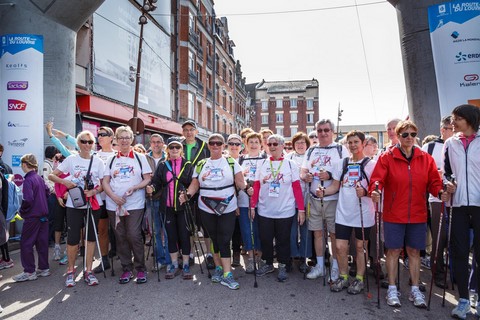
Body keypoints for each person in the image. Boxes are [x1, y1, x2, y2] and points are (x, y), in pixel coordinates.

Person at [369, 120, 445, 308]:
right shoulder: (387, 157)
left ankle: (414, 289)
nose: (409, 138)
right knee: (393, 251)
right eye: (405, 135)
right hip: (394, 213)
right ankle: (393, 289)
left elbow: (434, 182)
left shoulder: (425, 157)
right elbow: (377, 179)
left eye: (412, 134)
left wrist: (441, 192)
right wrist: (375, 190)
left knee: (413, 252)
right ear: (398, 136)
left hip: (418, 213)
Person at [180, 133, 245, 290]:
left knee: (224, 238)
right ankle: (219, 268)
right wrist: (187, 195)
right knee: (214, 238)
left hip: (227, 204)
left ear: (223, 146)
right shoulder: (202, 164)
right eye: (212, 143)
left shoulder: (231, 162)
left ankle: (228, 274)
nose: (215, 145)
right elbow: (195, 184)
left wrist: (248, 189)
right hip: (206, 205)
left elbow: (240, 181)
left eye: (219, 143)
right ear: (208, 145)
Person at [316, 131, 376, 294]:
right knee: (340, 247)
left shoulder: (371, 165)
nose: (353, 145)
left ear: (363, 144)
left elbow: (376, 190)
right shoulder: (342, 163)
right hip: (343, 213)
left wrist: (365, 192)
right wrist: (323, 191)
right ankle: (343, 277)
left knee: (360, 247)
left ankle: (359, 279)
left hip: (363, 213)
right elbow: (335, 186)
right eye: (350, 142)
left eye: (356, 142)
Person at [49, 131, 105, 287]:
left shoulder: (98, 161)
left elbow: (103, 184)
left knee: (91, 238)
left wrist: (95, 191)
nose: (87, 145)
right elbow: (51, 176)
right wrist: (65, 183)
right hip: (75, 204)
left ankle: (88, 271)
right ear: (78, 143)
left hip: (93, 203)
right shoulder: (71, 159)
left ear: (93, 144)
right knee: (73, 238)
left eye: (90, 142)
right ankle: (70, 270)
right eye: (84, 141)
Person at [249, 134, 305, 282]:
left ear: (282, 146)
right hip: (265, 209)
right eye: (270, 144)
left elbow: (297, 187)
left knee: (283, 239)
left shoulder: (290, 164)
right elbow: (256, 185)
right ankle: (268, 263)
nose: (272, 147)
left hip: (284, 210)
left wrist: (301, 209)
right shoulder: (262, 164)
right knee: (266, 239)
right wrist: (252, 206)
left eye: (275, 144)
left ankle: (282, 265)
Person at [442, 104, 480, 318]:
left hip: (479, 205)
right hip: (458, 206)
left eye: (457, 118)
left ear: (470, 119)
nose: (453, 122)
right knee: (459, 252)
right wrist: (447, 184)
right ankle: (463, 300)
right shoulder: (450, 143)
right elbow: (446, 173)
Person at [102, 126, 152, 284]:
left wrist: (136, 187)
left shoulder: (139, 158)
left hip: (134, 203)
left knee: (133, 234)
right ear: (116, 139)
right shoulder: (111, 159)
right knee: (120, 236)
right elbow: (105, 181)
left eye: (127, 137)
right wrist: (113, 196)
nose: (124, 140)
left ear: (132, 139)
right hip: (113, 204)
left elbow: (147, 178)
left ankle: (140, 268)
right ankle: (126, 269)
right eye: (121, 137)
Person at [301, 119, 349, 282]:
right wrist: (305, 176)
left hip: (333, 198)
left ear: (332, 132)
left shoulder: (341, 149)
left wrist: (330, 175)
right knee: (318, 233)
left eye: (326, 130)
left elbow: (346, 171)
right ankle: (320, 266)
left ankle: (335, 266)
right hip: (314, 198)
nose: (322, 133)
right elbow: (304, 169)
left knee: (334, 234)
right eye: (319, 130)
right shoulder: (312, 150)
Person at [147, 137, 193, 279]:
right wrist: (151, 188)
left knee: (184, 236)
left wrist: (187, 195)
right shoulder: (163, 165)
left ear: (181, 150)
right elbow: (157, 183)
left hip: (183, 207)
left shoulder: (187, 165)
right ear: (168, 149)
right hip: (167, 207)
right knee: (171, 236)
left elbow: (193, 184)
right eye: (172, 148)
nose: (174, 150)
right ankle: (173, 264)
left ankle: (185, 264)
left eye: (177, 148)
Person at [421, 116, 453, 289]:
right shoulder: (430, 146)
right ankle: (438, 273)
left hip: (458, 198)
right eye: (450, 128)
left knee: (454, 238)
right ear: (442, 129)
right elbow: (421, 171)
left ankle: (454, 273)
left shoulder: (458, 145)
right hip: (436, 198)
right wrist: (435, 175)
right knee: (439, 238)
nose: (454, 131)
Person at [12, 154, 50, 282]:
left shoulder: (28, 180)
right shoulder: (39, 178)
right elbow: (47, 191)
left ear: (24, 165)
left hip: (33, 216)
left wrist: (22, 211)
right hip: (43, 215)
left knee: (26, 243)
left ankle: (29, 271)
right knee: (42, 243)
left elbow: (27, 199)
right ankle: (44, 268)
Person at [181, 120, 212, 268]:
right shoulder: (178, 146)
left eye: (191, 129)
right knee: (189, 224)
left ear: (196, 131)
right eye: (186, 129)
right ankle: (191, 253)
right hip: (184, 188)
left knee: (206, 223)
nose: (188, 132)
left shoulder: (205, 146)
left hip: (203, 188)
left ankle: (209, 254)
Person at [237, 132, 265, 274]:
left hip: (263, 202)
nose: (254, 145)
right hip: (243, 200)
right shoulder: (241, 160)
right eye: (251, 142)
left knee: (260, 230)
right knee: (247, 230)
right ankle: (249, 258)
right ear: (246, 145)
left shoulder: (266, 159)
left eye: (256, 142)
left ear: (261, 144)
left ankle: (259, 258)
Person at [285, 132, 312, 273]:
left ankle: (303, 257)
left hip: (308, 198)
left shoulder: (312, 156)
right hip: (290, 199)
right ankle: (292, 255)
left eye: (303, 142)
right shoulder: (288, 157)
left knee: (305, 229)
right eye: (297, 143)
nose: (300, 145)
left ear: (307, 144)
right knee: (291, 230)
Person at [92, 127, 116, 274]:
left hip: (116, 198)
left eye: (103, 135)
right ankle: (104, 259)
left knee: (120, 229)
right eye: (98, 135)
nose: (99, 137)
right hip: (100, 199)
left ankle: (125, 256)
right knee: (102, 230)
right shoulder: (94, 155)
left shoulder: (118, 155)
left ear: (111, 137)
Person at [145, 133, 170, 271]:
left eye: (158, 142)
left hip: (165, 199)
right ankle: (160, 259)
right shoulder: (144, 159)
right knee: (156, 231)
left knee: (167, 231)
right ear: (150, 144)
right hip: (151, 199)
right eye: (153, 142)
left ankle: (168, 259)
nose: (156, 144)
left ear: (162, 143)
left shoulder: (168, 158)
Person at [226, 134, 243, 267]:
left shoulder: (245, 160)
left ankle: (237, 252)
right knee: (227, 229)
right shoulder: (223, 160)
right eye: (231, 143)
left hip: (243, 200)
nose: (234, 146)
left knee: (238, 228)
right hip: (227, 200)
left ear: (241, 146)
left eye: (237, 144)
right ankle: (227, 255)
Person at [43, 146, 61, 255]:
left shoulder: (53, 163)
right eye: (56, 152)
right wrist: (53, 190)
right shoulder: (46, 164)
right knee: (50, 218)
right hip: (51, 195)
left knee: (54, 218)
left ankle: (53, 239)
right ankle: (48, 239)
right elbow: (46, 180)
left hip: (56, 194)